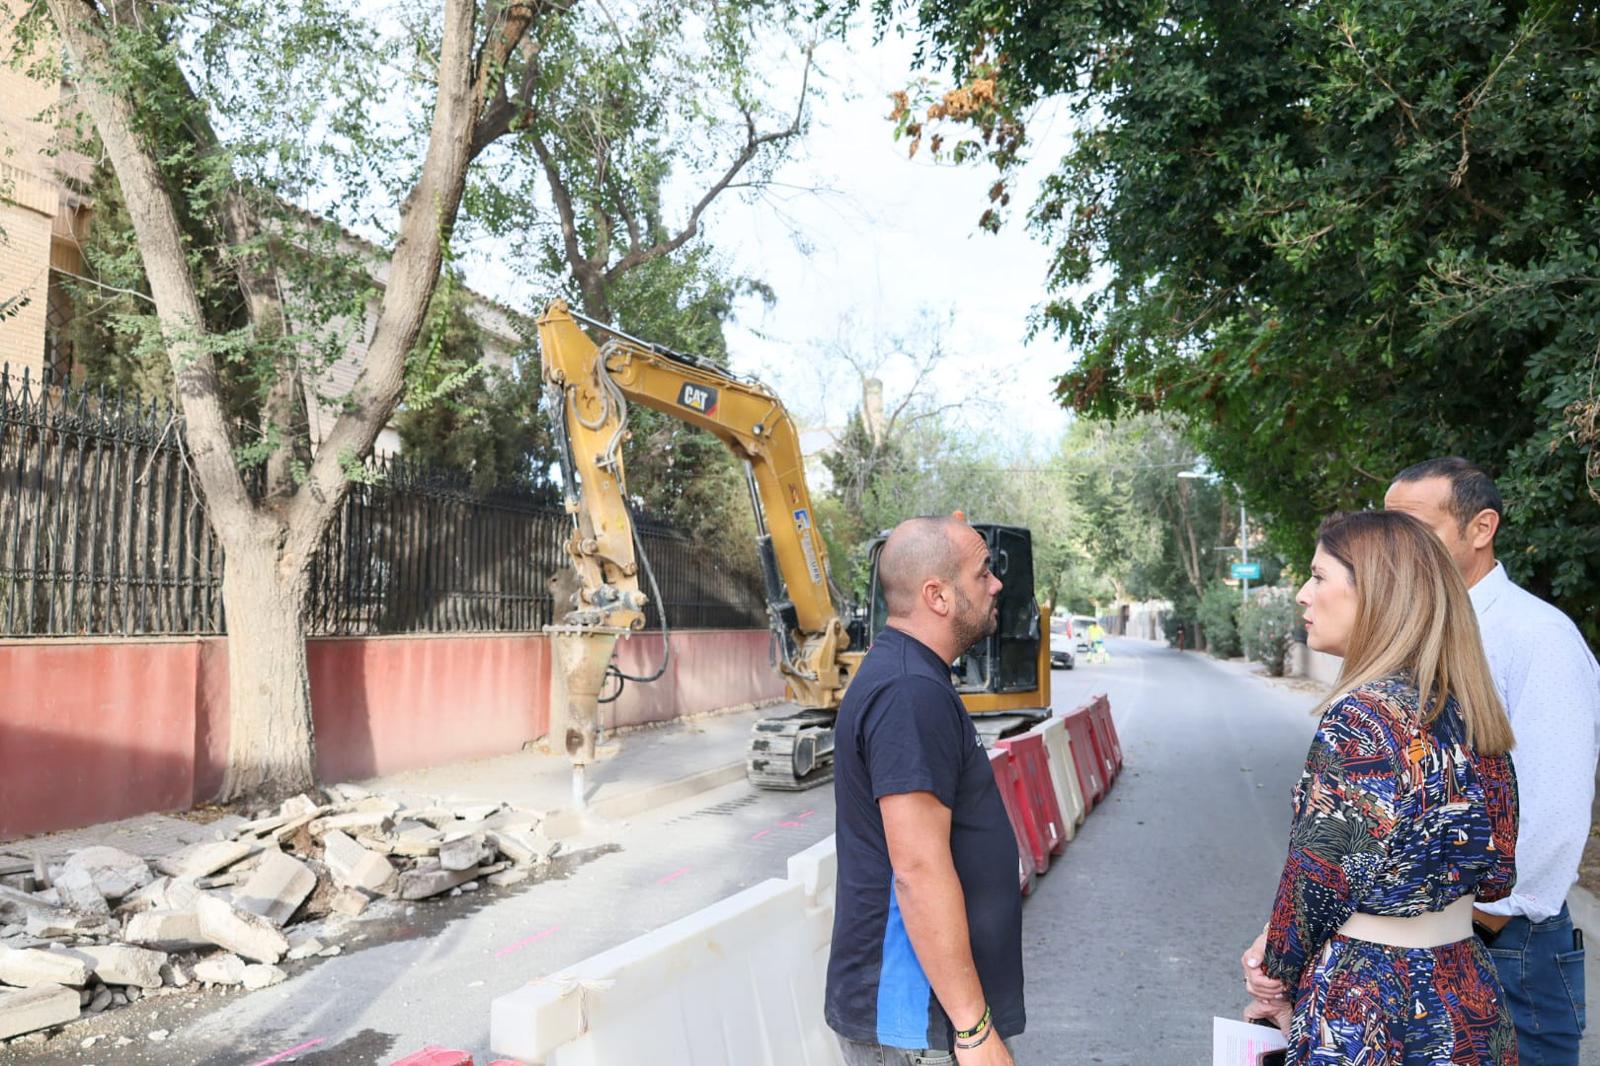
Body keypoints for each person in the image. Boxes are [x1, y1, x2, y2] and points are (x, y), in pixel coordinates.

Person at [1240, 511, 1520, 1063]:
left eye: (1319, 577)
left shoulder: (1361, 718)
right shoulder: (1470, 712)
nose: (1302, 594)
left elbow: (1317, 882)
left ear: (1377, 592)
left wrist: (1274, 972)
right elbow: (1497, 876)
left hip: (1369, 1001)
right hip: (1466, 993)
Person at [1385, 456, 1600, 1063]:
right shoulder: (1417, 633)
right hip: (1428, 937)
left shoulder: (1537, 639)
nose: (1399, 549)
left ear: (1481, 529)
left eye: (1417, 529)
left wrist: (1482, 921)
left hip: (1505, 950)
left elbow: (1553, 811)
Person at [825, 515, 1023, 1066]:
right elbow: (917, 870)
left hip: (922, 1021)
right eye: (983, 572)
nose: (996, 584)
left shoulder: (913, 675)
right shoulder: (910, 691)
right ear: (938, 595)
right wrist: (974, 1028)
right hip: (915, 1020)